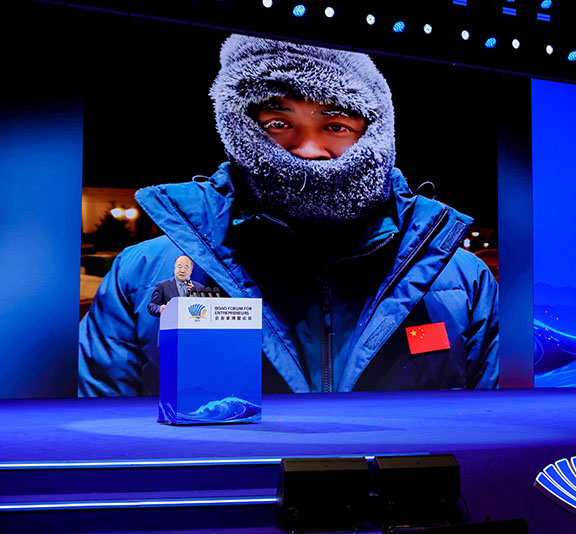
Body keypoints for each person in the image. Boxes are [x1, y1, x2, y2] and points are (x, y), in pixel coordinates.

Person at [78, 35, 499, 396]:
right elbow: (102, 439)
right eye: (278, 123)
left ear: (375, 134)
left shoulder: (462, 280)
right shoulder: (142, 275)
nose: (309, 150)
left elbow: (493, 434)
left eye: (336, 125)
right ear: (240, 130)